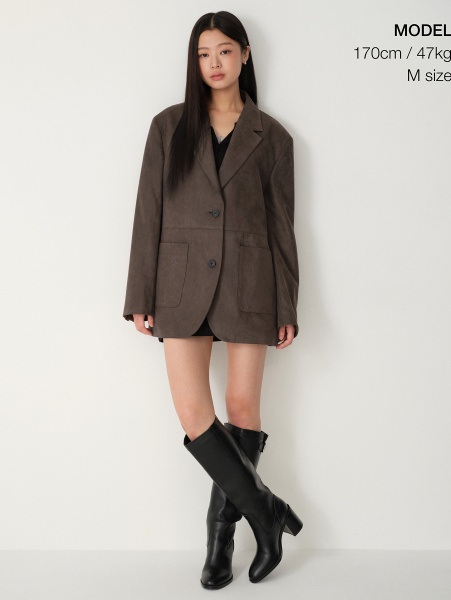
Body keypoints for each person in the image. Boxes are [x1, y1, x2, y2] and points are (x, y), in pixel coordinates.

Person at [123, 11, 302, 588]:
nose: (214, 63)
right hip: (178, 285)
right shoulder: (168, 126)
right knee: (194, 415)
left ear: (245, 54)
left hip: (251, 283)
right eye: (203, 54)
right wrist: (139, 293)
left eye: (224, 51)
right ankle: (266, 513)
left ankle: (220, 544)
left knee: (242, 411)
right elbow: (147, 214)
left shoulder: (273, 138)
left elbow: (282, 228)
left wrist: (286, 304)